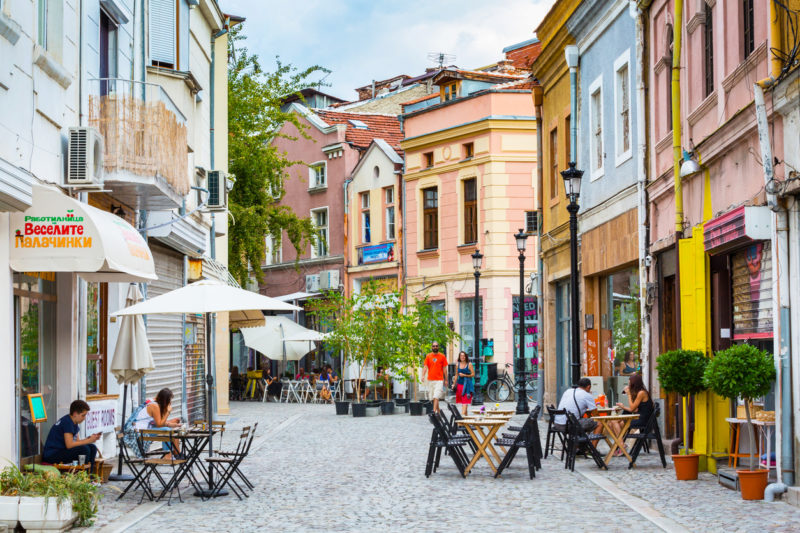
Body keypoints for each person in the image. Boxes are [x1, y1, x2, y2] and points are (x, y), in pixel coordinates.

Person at [42, 400, 100, 469]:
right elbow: (69, 445)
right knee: (84, 450)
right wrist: (88, 440)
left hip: (62, 451)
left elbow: (77, 442)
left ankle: (90, 474)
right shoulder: (67, 422)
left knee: (92, 447)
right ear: (75, 414)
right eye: (83, 415)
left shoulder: (74, 423)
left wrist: (90, 439)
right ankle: (83, 475)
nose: (84, 418)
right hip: (52, 454)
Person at [132, 388, 182, 458]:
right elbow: (159, 424)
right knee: (167, 431)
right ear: (165, 400)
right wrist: (168, 412)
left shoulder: (154, 403)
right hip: (139, 432)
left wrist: (172, 424)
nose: (170, 402)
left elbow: (158, 422)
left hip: (145, 429)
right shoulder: (154, 406)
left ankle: (177, 455)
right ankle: (167, 456)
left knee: (172, 431)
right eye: (169, 400)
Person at [421, 341, 448, 413]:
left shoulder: (442, 356)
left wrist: (446, 380)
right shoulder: (428, 356)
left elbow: (445, 369)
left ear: (438, 347)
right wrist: (423, 375)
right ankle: (438, 412)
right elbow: (425, 367)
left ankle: (434, 411)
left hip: (439, 380)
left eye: (436, 346)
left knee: (436, 396)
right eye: (434, 346)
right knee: (433, 398)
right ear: (431, 347)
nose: (435, 347)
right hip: (430, 380)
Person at [453, 351, 475, 415]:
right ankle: (466, 422)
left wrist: (465, 375)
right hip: (460, 385)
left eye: (464, 356)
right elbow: (456, 375)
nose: (462, 357)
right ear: (459, 357)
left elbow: (473, 374)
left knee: (465, 403)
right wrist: (454, 384)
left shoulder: (469, 364)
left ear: (466, 357)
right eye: (461, 356)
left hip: (467, 386)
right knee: (463, 404)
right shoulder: (457, 364)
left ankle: (461, 421)